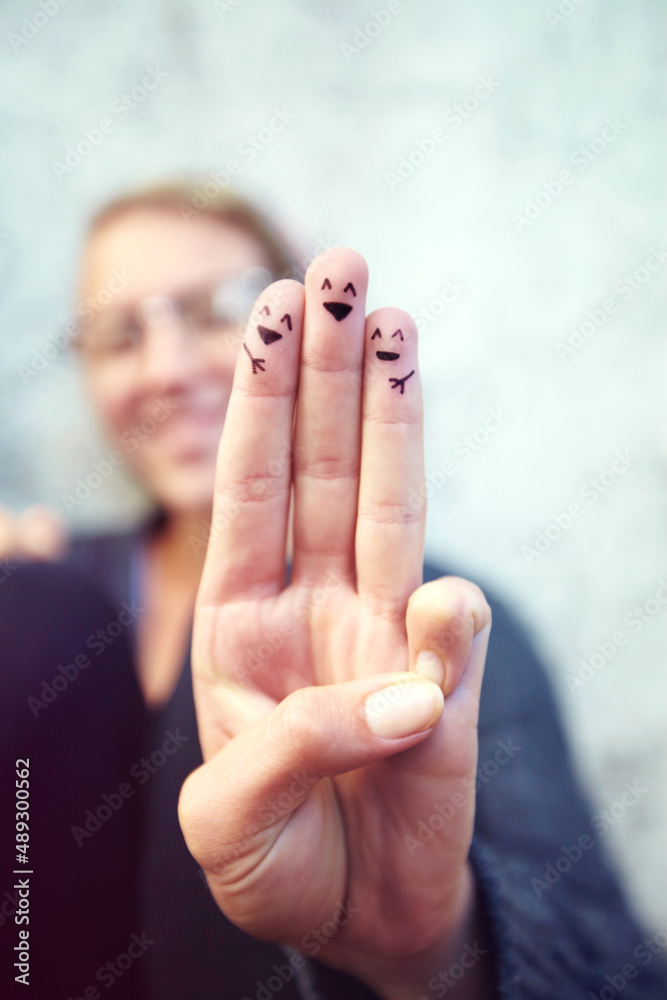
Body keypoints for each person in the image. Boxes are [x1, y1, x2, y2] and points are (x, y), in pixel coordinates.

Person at [0, 182, 665, 1000]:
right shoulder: (49, 604)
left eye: (220, 309)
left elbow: (622, 970)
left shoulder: (437, 622)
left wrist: (428, 951)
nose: (166, 369)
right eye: (121, 333)